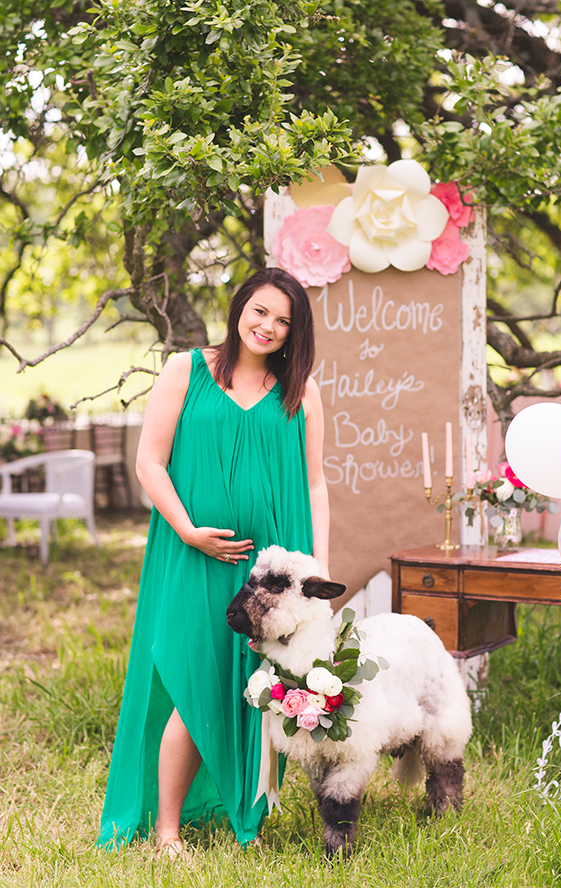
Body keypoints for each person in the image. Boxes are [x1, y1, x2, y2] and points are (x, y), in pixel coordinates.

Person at [98, 267, 329, 856]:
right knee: (195, 682)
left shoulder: (300, 390)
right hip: (194, 555)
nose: (268, 327)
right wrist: (189, 532)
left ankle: (240, 812)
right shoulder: (187, 370)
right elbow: (150, 462)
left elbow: (316, 483)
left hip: (272, 571)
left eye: (283, 321)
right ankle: (167, 830)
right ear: (239, 307)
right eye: (260, 311)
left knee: (254, 687)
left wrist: (316, 573)